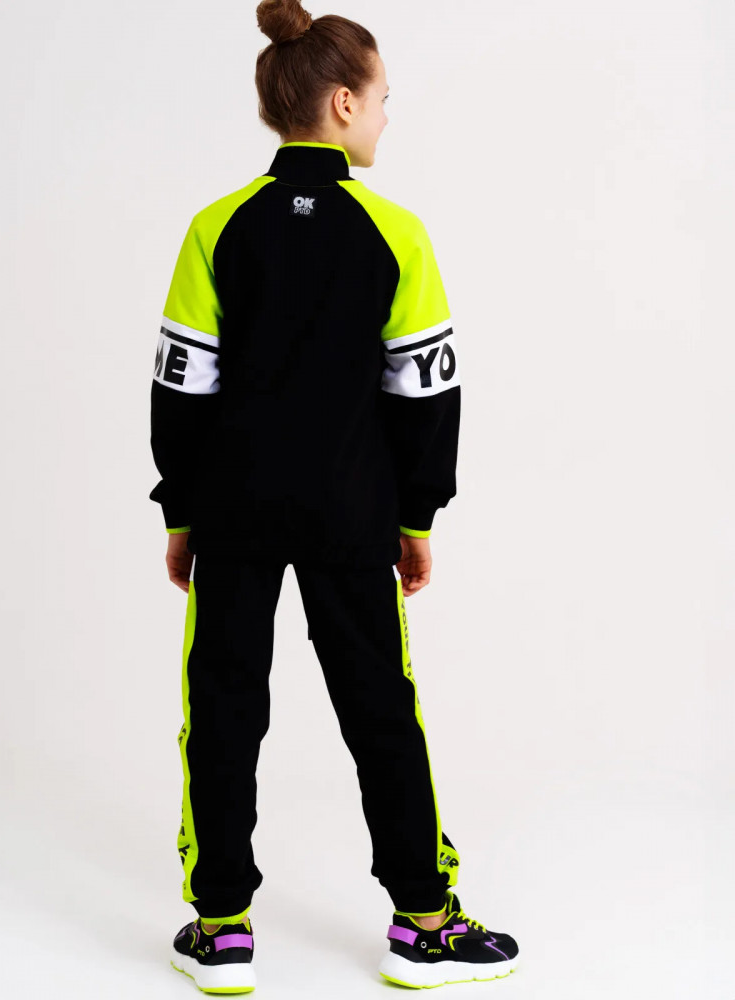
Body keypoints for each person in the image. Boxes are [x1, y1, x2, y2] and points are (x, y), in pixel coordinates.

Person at [150, 0, 519, 991]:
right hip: (354, 512)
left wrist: (181, 512)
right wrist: (416, 515)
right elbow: (425, 393)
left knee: (222, 705)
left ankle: (221, 928)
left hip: (233, 511)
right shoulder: (395, 231)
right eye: (385, 98)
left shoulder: (216, 228)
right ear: (344, 102)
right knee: (381, 707)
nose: (389, 116)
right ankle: (425, 923)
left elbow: (181, 389)